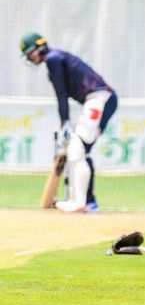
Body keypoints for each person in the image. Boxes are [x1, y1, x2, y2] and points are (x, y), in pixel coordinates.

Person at [20, 32, 118, 213]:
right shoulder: (56, 57)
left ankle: (80, 202)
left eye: (28, 53)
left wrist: (65, 122)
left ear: (36, 50)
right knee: (82, 150)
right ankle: (87, 201)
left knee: (77, 146)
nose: (28, 57)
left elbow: (61, 94)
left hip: (100, 98)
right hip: (99, 98)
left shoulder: (53, 59)